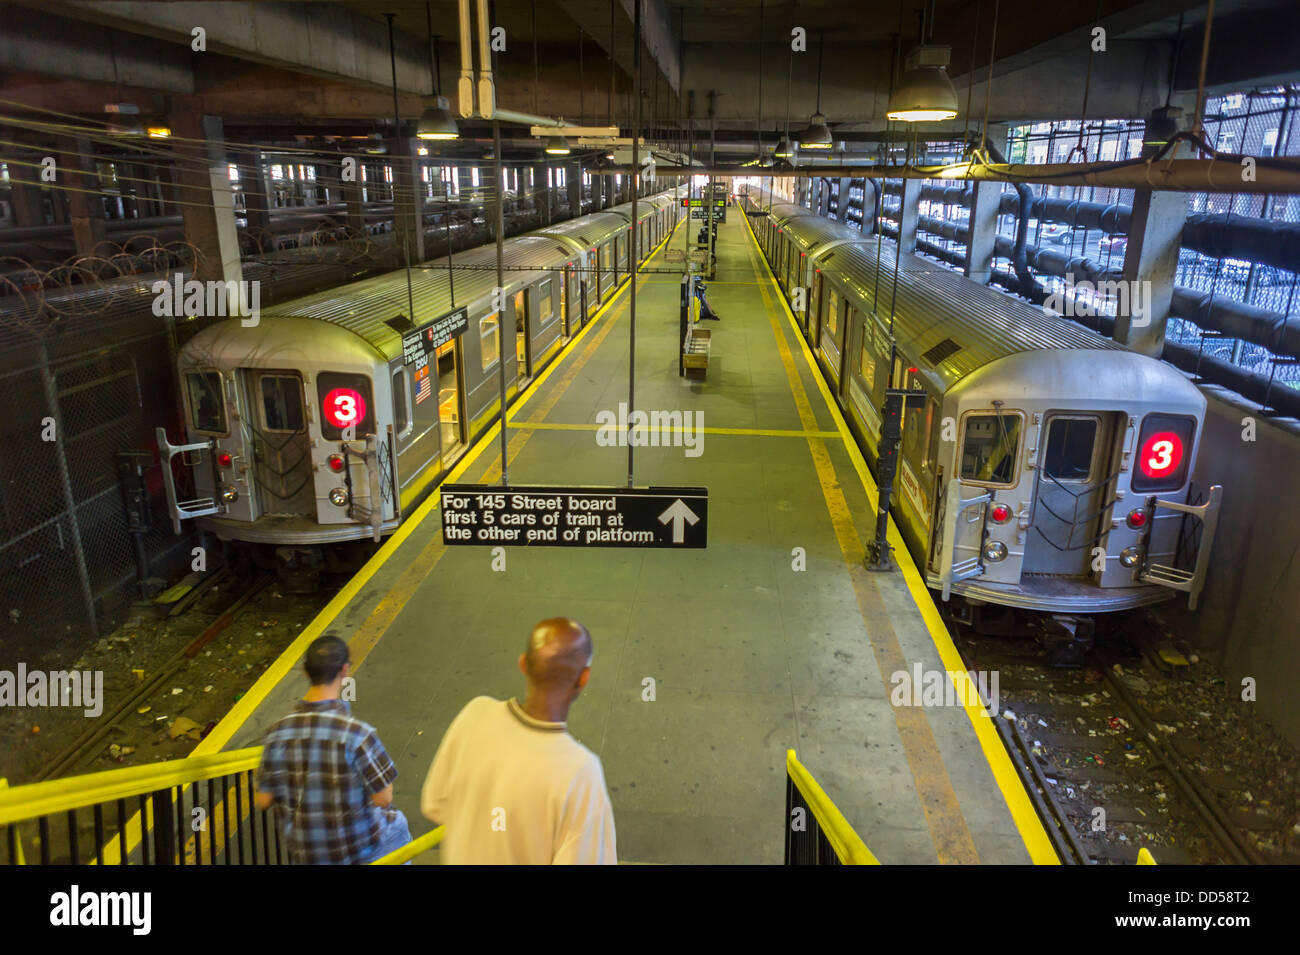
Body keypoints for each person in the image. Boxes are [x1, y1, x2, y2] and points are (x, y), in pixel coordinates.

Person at [421, 617, 616, 864]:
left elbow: (435, 804)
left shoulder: (475, 715)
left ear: (523, 664)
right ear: (584, 677)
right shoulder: (581, 773)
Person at [254, 635, 412, 865]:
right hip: (359, 851)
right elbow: (384, 798)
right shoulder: (358, 735)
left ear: (305, 673)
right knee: (397, 824)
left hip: (307, 855)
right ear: (344, 671)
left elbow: (264, 800)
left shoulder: (276, 734)